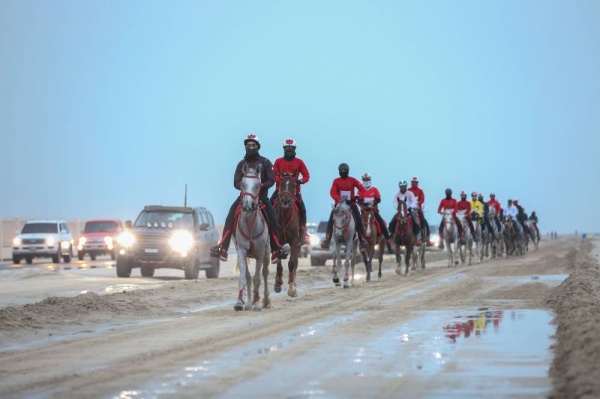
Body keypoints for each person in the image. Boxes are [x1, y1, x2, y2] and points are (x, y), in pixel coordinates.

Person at [209, 135, 288, 264]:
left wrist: (261, 186)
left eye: (253, 145)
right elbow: (236, 182)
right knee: (230, 216)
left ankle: (275, 250)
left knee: (273, 219)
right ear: (245, 147)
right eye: (249, 145)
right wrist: (246, 187)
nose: (251, 148)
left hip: (261, 198)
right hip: (244, 198)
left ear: (258, 147)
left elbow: (271, 180)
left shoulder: (266, 162)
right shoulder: (241, 164)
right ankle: (222, 248)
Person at [270, 138, 311, 245]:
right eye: (287, 148)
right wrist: (282, 181)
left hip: (294, 192)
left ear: (294, 149)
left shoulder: (299, 162)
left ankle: (302, 233)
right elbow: (274, 175)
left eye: (291, 148)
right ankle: (268, 231)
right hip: (280, 191)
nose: (289, 150)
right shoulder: (278, 161)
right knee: (268, 207)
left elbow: (307, 175)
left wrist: (299, 181)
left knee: (302, 210)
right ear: (284, 149)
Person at [320, 163, 368, 250]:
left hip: (351, 204)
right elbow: (332, 192)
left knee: (358, 219)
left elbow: (362, 190)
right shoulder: (336, 181)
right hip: (339, 205)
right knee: (331, 219)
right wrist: (339, 199)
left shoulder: (353, 180)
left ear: (347, 171)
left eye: (344, 170)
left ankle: (362, 240)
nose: (343, 172)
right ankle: (327, 238)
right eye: (341, 170)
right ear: (339, 171)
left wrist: (355, 197)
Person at [356, 172, 394, 254]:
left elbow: (378, 199)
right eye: (364, 180)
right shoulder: (360, 191)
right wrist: (364, 204)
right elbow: (358, 201)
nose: (366, 181)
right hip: (364, 212)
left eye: (367, 179)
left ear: (370, 180)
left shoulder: (374, 189)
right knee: (356, 223)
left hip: (373, 211)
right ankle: (355, 241)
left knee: (382, 222)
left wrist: (374, 203)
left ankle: (388, 241)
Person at [408, 176, 433, 246]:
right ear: (411, 182)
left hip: (418, 209)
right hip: (410, 209)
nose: (414, 183)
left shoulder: (420, 190)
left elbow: (422, 199)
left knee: (424, 221)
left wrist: (417, 203)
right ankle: (394, 238)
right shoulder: (408, 190)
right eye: (413, 182)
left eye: (415, 182)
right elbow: (406, 199)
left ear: (417, 183)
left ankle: (425, 237)